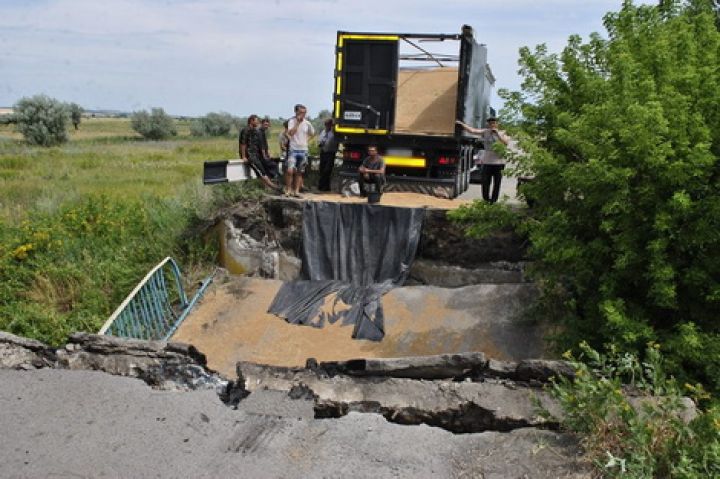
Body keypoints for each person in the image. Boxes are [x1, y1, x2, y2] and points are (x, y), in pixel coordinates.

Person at [456, 117, 509, 203]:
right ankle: (486, 200)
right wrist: (462, 124)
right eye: (490, 123)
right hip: (487, 162)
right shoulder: (485, 132)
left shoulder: (502, 133)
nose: (492, 125)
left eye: (494, 123)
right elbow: (473, 131)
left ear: (497, 124)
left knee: (497, 183)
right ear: (488, 124)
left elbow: (506, 143)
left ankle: (493, 201)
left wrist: (497, 134)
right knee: (485, 183)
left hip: (499, 163)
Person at [285, 104, 315, 197]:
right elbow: (291, 133)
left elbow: (312, 133)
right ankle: (288, 189)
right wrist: (297, 123)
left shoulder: (307, 123)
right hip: (293, 149)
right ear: (296, 112)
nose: (303, 114)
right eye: (301, 112)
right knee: (290, 170)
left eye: (304, 113)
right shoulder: (291, 121)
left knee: (300, 171)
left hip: (303, 150)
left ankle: (296, 191)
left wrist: (306, 140)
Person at [244, 114, 281, 191]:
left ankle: (269, 186)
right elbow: (261, 145)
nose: (266, 126)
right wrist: (264, 155)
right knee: (266, 168)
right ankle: (272, 186)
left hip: (258, 155)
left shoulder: (261, 132)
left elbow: (264, 145)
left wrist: (267, 154)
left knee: (264, 170)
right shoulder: (258, 132)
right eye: (265, 124)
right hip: (256, 155)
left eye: (267, 125)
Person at [317, 118, 338, 192]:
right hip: (323, 152)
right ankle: (324, 187)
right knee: (322, 169)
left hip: (331, 153)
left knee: (327, 170)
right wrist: (320, 143)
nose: (327, 126)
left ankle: (323, 186)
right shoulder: (323, 132)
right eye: (326, 125)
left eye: (329, 125)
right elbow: (319, 141)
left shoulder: (334, 133)